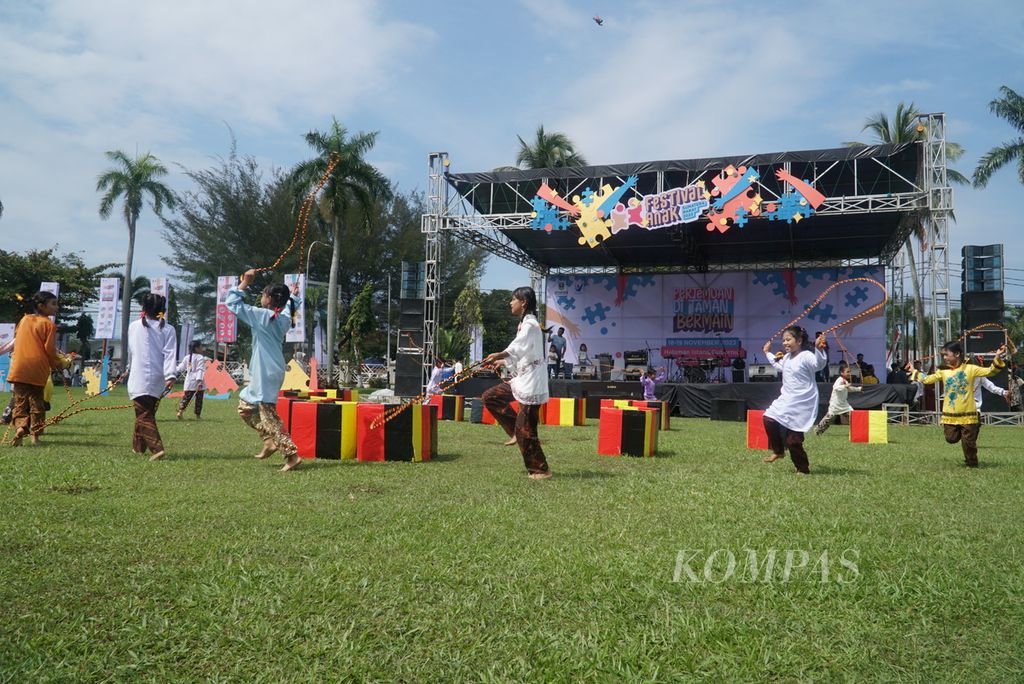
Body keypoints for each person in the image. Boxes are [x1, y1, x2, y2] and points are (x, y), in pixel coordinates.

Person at [226, 270, 301, 472]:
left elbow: (232, 304)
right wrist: (294, 295)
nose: (261, 297)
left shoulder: (262, 316)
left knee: (269, 416)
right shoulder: (283, 318)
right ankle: (269, 441)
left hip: (265, 371)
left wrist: (244, 284)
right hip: (271, 369)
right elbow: (292, 308)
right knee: (245, 407)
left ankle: (291, 455)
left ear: (268, 300)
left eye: (263, 294)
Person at [482, 287, 552, 479]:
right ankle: (514, 430)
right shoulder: (525, 324)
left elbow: (517, 347)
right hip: (522, 378)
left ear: (523, 302)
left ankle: (540, 470)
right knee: (491, 397)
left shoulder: (530, 324)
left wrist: (501, 354)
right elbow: (523, 352)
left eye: (513, 299)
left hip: (532, 382)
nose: (510, 303)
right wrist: (503, 361)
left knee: (527, 429)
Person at [907, 341, 1007, 468]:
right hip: (951, 414)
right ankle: (966, 434)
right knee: (951, 438)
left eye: (946, 355)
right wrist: (914, 371)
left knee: (969, 443)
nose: (944, 358)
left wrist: (997, 357)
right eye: (943, 355)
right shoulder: (943, 372)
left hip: (969, 414)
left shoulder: (971, 369)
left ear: (957, 354)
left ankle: (972, 464)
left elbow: (991, 371)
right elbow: (927, 379)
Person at [7, 291, 72, 446]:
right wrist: (58, 363)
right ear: (42, 306)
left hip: (19, 367)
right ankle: (35, 437)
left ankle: (20, 428)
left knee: (20, 402)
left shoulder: (24, 319)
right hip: (38, 368)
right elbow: (49, 350)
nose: (57, 307)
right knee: (37, 402)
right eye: (53, 304)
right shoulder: (49, 324)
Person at [761, 326, 828, 474]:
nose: (785, 343)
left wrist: (819, 349)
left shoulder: (806, 356)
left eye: (788, 339)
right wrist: (767, 352)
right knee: (768, 418)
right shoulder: (786, 357)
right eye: (783, 340)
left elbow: (819, 364)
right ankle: (778, 451)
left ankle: (802, 469)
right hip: (786, 400)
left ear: (799, 341)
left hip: (802, 402)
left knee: (793, 440)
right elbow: (778, 365)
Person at [125, 294, 177, 461]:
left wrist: (128, 368)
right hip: (158, 377)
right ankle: (137, 447)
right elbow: (170, 354)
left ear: (143, 309)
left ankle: (157, 449)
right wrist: (170, 375)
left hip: (138, 376)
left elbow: (131, 352)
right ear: (163, 310)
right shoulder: (168, 329)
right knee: (145, 412)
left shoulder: (133, 326)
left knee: (144, 414)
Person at [813, 362, 862, 435]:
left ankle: (857, 431)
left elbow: (849, 389)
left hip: (844, 405)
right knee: (828, 420)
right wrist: (845, 386)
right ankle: (818, 430)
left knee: (853, 416)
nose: (849, 373)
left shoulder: (845, 381)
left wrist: (858, 389)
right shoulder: (839, 380)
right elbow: (836, 388)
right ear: (842, 373)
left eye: (850, 372)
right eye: (847, 372)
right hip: (835, 405)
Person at [176, 340, 208, 420]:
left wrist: (172, 370)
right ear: (197, 348)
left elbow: (181, 367)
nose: (202, 348)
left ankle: (180, 411)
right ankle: (198, 416)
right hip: (198, 381)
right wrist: (199, 381)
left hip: (189, 381)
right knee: (199, 400)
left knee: (186, 398)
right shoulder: (200, 357)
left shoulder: (187, 357)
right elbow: (200, 370)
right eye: (201, 346)